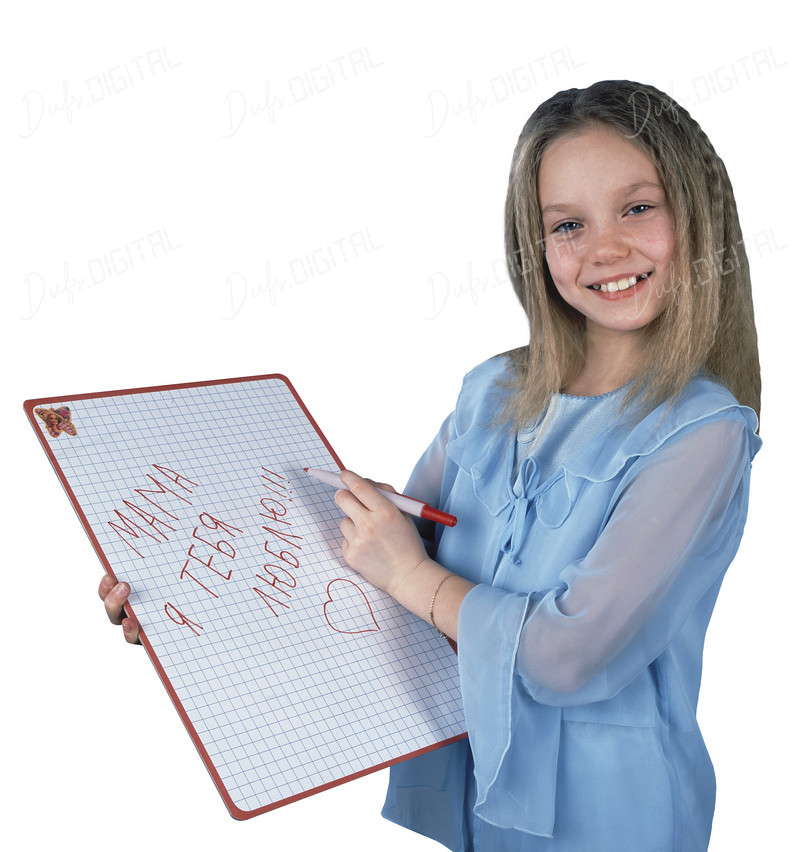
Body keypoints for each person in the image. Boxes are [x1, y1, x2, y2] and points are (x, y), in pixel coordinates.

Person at [101, 81, 761, 850]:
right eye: (567, 224)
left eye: (637, 208)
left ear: (697, 216)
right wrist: (193, 611)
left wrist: (409, 572)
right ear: (533, 244)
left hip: (611, 816)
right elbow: (375, 585)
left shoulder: (702, 433)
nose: (604, 248)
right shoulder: (491, 392)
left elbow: (563, 655)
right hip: (475, 791)